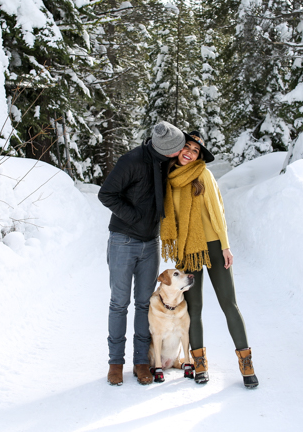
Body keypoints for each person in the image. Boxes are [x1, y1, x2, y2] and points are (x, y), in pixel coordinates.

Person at [160, 131, 258, 388]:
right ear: (179, 150)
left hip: (213, 245)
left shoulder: (203, 174)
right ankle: (200, 364)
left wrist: (225, 246)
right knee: (194, 310)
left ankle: (246, 364)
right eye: (187, 147)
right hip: (187, 250)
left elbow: (218, 210)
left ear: (199, 156)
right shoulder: (169, 178)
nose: (189, 152)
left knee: (229, 304)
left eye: (195, 150)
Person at [98, 121, 185, 386]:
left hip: (151, 244)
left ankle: (141, 361)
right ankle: (115, 363)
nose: (180, 154)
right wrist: (135, 217)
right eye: (177, 150)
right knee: (119, 303)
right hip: (124, 241)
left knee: (145, 304)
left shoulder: (164, 163)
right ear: (166, 150)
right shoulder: (131, 161)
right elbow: (106, 194)